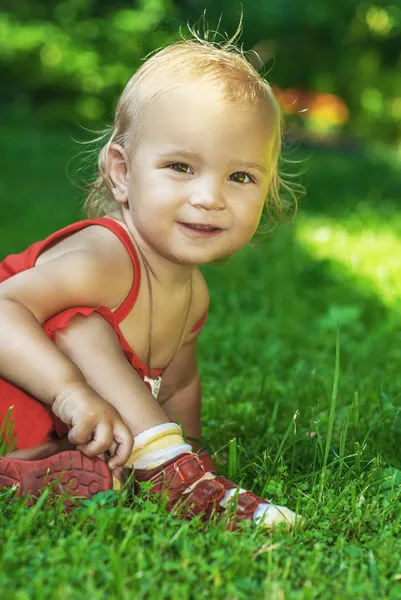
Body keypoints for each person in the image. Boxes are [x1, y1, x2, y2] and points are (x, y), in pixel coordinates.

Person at [0, 33, 300, 529]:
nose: (209, 197)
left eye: (240, 177)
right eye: (180, 167)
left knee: (110, 464)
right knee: (81, 325)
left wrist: (195, 449)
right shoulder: (105, 257)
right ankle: (172, 476)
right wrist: (69, 393)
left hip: (37, 427)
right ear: (122, 172)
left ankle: (44, 471)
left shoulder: (192, 294)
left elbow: (179, 385)